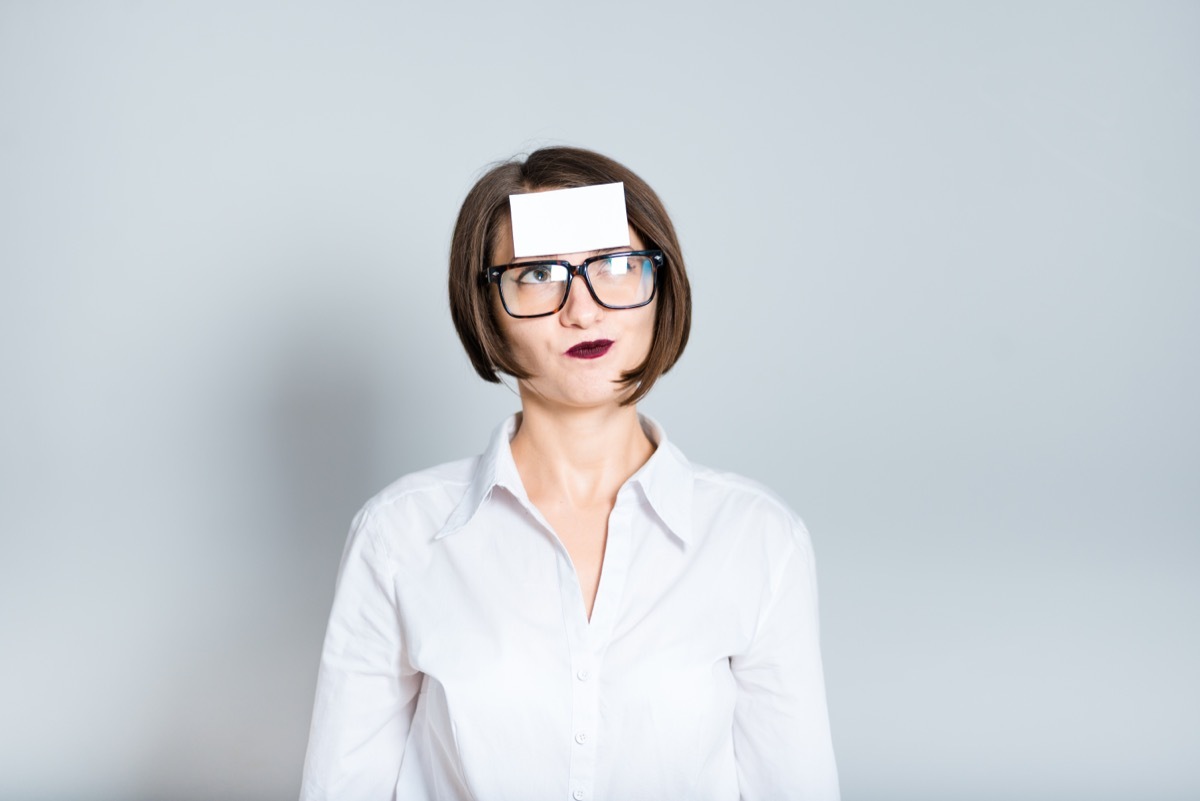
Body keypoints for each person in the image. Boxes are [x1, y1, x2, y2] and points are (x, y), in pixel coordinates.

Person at [300, 146, 840, 800]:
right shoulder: (400, 536)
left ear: (660, 284)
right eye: (537, 274)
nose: (582, 310)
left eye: (614, 266)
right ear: (488, 307)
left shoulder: (757, 539)